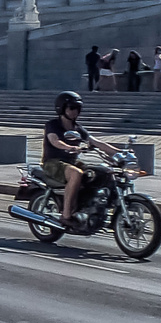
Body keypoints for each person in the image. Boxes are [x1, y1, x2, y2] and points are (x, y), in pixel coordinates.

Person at [43, 91, 119, 227]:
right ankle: (66, 215)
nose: (74, 112)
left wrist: (120, 152)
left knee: (103, 171)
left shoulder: (78, 128)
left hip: (70, 162)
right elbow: (54, 140)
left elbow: (96, 142)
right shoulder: (53, 124)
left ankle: (94, 207)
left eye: (77, 108)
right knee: (76, 173)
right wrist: (69, 147)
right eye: (71, 108)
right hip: (52, 162)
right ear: (61, 108)